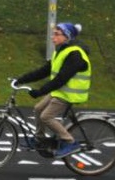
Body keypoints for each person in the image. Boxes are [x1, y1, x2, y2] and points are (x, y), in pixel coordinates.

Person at [15, 22, 92, 159]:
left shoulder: (75, 55)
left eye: (57, 34)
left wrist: (40, 91)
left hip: (70, 94)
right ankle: (39, 138)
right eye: (53, 33)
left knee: (46, 116)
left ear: (67, 36)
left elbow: (61, 78)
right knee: (38, 108)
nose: (53, 37)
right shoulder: (61, 50)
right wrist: (21, 79)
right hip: (61, 91)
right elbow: (44, 71)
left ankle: (70, 142)